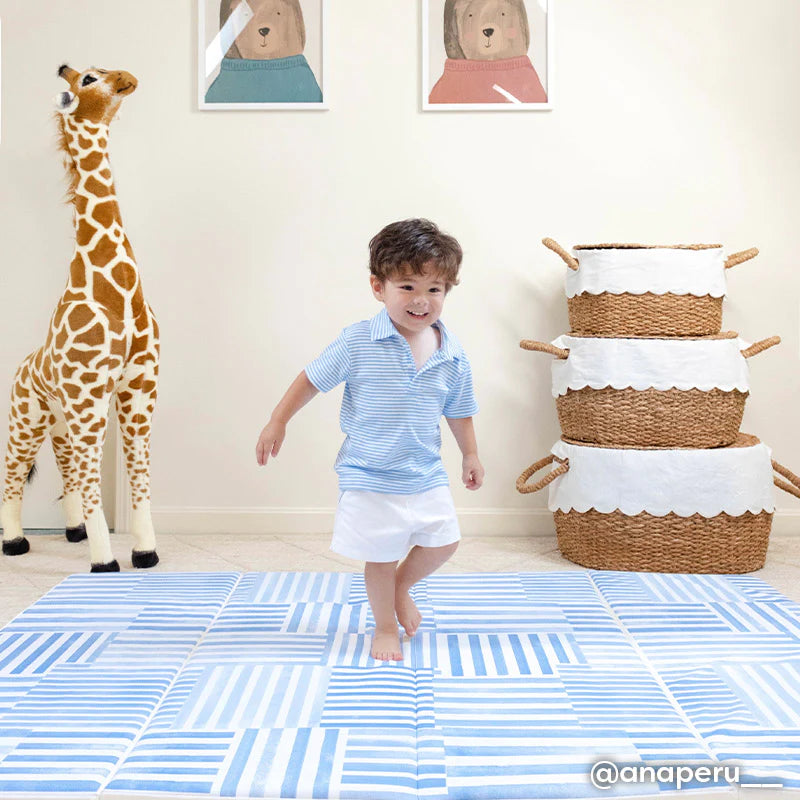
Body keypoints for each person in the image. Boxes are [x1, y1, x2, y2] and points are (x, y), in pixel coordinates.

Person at [255, 219, 484, 661]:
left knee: (445, 541)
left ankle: (401, 588)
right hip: (369, 471)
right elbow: (311, 380)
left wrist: (470, 453)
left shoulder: (451, 353)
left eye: (434, 289)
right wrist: (277, 421)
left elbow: (459, 409)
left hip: (424, 470)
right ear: (379, 287)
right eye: (407, 286)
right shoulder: (360, 340)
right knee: (378, 556)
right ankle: (383, 626)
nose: (421, 301)